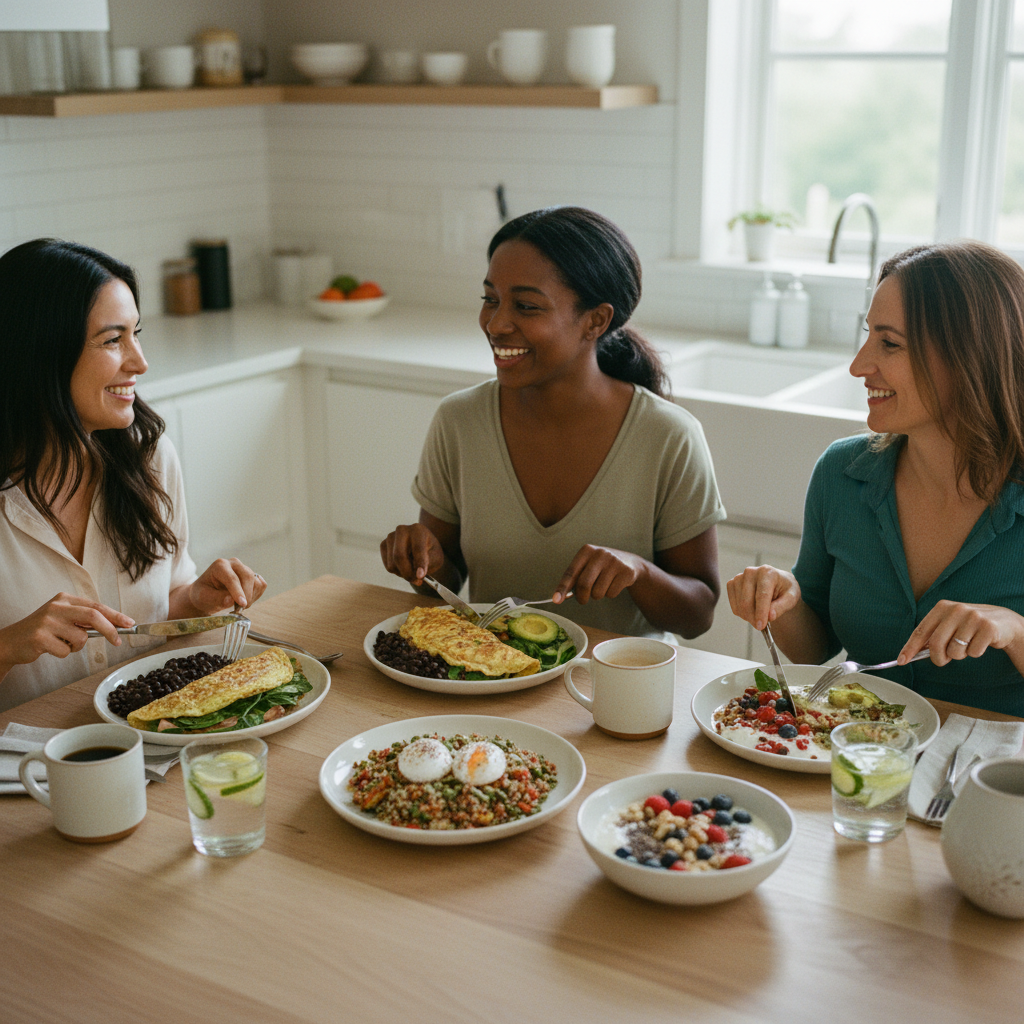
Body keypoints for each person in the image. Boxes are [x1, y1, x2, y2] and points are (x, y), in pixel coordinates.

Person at [380, 206, 725, 638]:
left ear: (596, 320)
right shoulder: (459, 420)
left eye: (526, 306)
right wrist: (422, 559)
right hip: (489, 680)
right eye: (490, 300)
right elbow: (444, 584)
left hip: (616, 693)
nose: (496, 323)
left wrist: (640, 572)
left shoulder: (668, 437)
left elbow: (697, 617)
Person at [727, 240, 1024, 716]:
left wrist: (1014, 629)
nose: (859, 365)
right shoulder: (841, 474)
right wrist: (784, 598)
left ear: (971, 358)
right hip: (861, 757)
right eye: (868, 336)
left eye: (889, 343)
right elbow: (812, 650)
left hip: (991, 776)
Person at [0, 239, 267, 712]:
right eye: (111, 340)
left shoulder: (150, 458)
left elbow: (162, 605)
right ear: (40, 354)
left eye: (135, 334)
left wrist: (196, 601)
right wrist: (8, 645)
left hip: (149, 748)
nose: (139, 362)